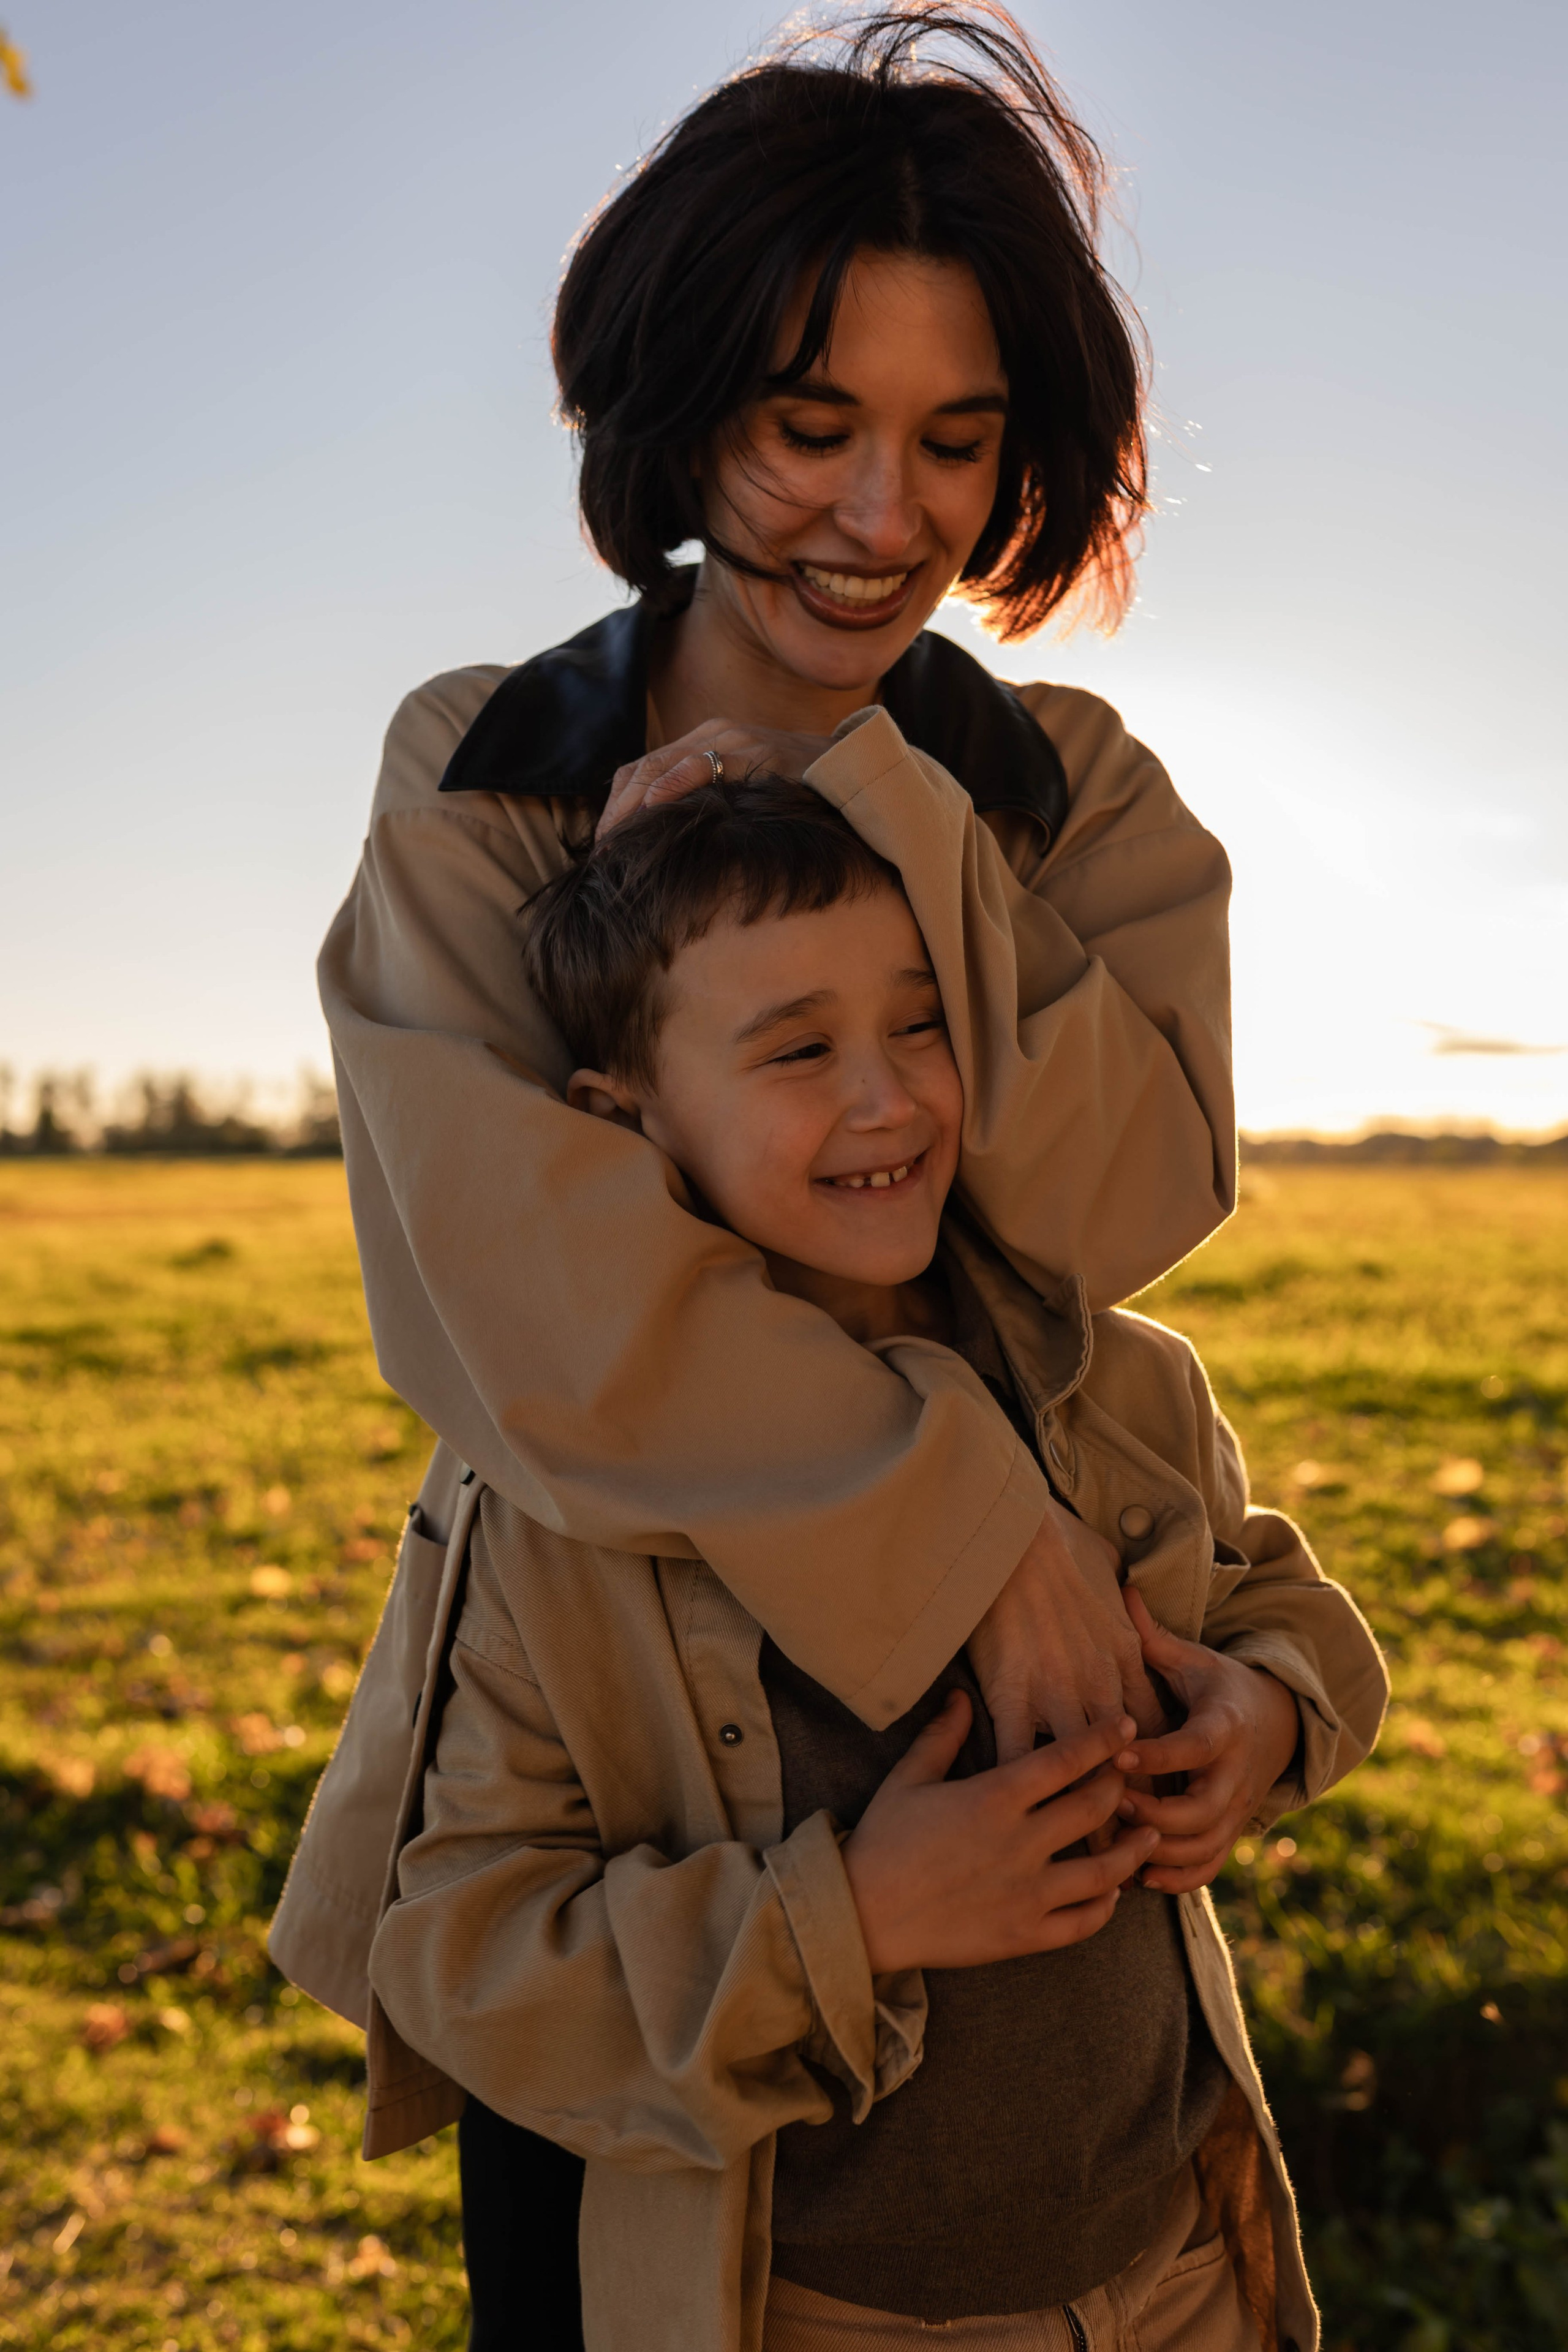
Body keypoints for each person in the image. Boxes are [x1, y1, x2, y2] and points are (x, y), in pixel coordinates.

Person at [271, 0, 1238, 2322]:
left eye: (955, 443)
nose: (885, 520)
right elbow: (531, 1312)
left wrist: (876, 776)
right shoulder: (484, 776)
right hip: (623, 1776)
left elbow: (1128, 1203)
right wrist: (977, 1531)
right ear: (687, 405)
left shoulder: (1075, 791)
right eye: (814, 429)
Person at [362, 769, 1388, 2352]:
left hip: (1186, 2269)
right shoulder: (564, 1515)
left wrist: (1261, 1718)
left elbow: (1282, 1608)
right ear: (621, 1117)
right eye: (797, 1050)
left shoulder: (1117, 1386)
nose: (890, 1099)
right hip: (825, 2313)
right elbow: (465, 1961)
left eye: (922, 1024)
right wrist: (853, 1916)